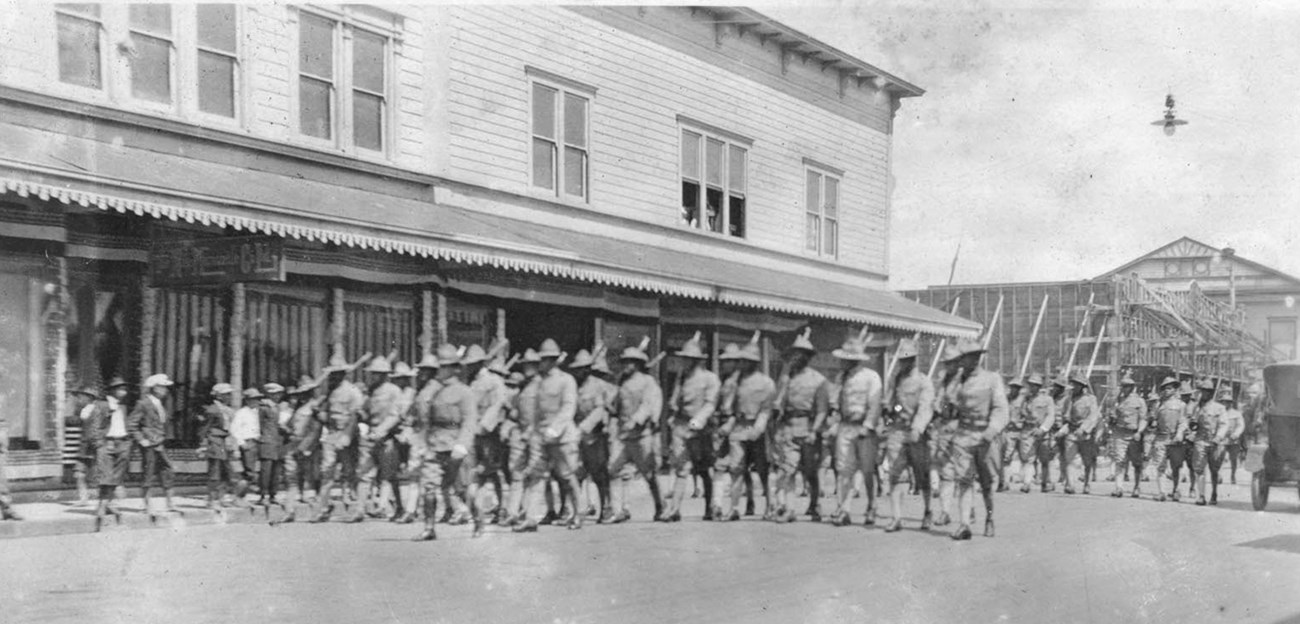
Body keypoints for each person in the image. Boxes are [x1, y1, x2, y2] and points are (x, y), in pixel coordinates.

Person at [413, 344, 480, 541]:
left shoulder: (464, 391)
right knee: (429, 486)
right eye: (438, 367)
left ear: (454, 368)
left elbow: (469, 420)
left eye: (443, 367)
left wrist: (462, 444)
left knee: (462, 489)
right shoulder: (432, 391)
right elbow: (423, 417)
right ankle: (429, 527)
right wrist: (421, 444)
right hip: (435, 442)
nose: (439, 371)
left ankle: (478, 521)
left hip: (455, 442)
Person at [946, 338, 1009, 540]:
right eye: (966, 357)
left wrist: (992, 430)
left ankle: (989, 518)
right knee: (963, 480)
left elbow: (1001, 408)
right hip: (963, 436)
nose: (971, 361)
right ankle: (965, 524)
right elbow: (949, 407)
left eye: (975, 357)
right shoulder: (956, 381)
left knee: (987, 482)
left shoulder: (992, 379)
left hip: (985, 436)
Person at [518, 338, 583, 532]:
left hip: (562, 437)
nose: (542, 363)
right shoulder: (538, 383)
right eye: (541, 360)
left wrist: (555, 429)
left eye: (546, 359)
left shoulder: (566, 380)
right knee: (537, 477)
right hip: (541, 436)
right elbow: (536, 411)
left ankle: (578, 514)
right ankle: (530, 519)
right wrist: (532, 431)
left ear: (554, 360)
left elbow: (568, 407)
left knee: (568, 476)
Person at [772, 329, 830, 523]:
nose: (796, 357)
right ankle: (789, 508)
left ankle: (814, 504)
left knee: (811, 472)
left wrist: (815, 430)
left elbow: (822, 410)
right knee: (788, 469)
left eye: (800, 354)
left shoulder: (818, 380)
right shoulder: (787, 378)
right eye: (794, 354)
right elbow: (778, 402)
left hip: (809, 428)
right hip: (788, 428)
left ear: (807, 357)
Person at [716, 334, 775, 521]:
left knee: (763, 469)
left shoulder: (766, 383)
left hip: (757, 428)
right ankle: (733, 507)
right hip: (738, 428)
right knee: (736, 469)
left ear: (754, 362)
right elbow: (729, 407)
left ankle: (770, 507)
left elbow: (767, 409)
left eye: (745, 360)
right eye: (741, 360)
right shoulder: (735, 381)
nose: (741, 363)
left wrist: (759, 428)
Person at [827, 330, 882, 527]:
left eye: (846, 359)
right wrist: (833, 423)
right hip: (845, 427)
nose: (842, 362)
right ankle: (844, 509)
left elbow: (875, 405)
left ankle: (872, 505)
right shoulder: (840, 378)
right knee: (844, 469)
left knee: (867, 470)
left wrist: (868, 426)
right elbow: (835, 402)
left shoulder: (870, 377)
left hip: (864, 429)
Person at [607, 338, 665, 523]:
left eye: (629, 362)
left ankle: (660, 506)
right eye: (624, 362)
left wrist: (637, 420)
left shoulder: (648, 382)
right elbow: (617, 407)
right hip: (623, 435)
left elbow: (649, 405)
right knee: (613, 470)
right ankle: (619, 510)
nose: (626, 365)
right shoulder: (622, 383)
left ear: (638, 364)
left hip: (641, 435)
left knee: (649, 474)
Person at [665, 332, 721, 522]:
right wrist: (672, 412)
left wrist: (699, 420)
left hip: (701, 429)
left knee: (704, 469)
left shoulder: (710, 379)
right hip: (681, 427)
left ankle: (709, 508)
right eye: (684, 359)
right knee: (681, 468)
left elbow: (710, 403)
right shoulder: (681, 378)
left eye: (689, 359)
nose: (686, 362)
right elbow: (674, 400)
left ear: (697, 360)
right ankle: (674, 509)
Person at [882, 338, 934, 532]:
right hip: (898, 431)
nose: (905, 363)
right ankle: (896, 517)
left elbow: (925, 407)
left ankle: (928, 511)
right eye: (903, 359)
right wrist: (889, 417)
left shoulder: (923, 381)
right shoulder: (896, 380)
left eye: (909, 359)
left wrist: (918, 428)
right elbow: (890, 404)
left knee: (923, 475)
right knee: (895, 476)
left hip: (917, 434)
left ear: (915, 360)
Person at [310, 352, 365, 523]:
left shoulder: (353, 392)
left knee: (350, 473)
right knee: (327, 472)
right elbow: (326, 413)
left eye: (337, 373)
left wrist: (347, 435)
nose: (334, 376)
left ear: (344, 374)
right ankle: (323, 508)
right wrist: (318, 413)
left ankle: (358, 508)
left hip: (348, 435)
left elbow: (358, 415)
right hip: (332, 434)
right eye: (332, 373)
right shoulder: (330, 392)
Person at [571, 346, 615, 522]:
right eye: (577, 369)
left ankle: (606, 508)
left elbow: (599, 410)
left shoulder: (597, 386)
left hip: (595, 436)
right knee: (577, 473)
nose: (579, 372)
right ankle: (575, 511)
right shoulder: (575, 387)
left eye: (582, 369)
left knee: (599, 474)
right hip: (577, 437)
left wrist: (585, 427)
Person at [465, 345, 509, 524]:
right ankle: (476, 508)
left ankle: (501, 508)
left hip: (488, 432)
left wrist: (485, 425)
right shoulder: (471, 382)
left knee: (491, 470)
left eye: (472, 363)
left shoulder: (493, 380)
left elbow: (498, 403)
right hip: (472, 431)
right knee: (476, 471)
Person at [129, 373, 180, 521]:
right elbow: (132, 424)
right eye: (163, 387)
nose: (166, 390)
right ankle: (147, 506)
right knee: (148, 473)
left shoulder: (159, 404)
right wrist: (141, 440)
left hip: (159, 444)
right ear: (155, 388)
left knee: (167, 471)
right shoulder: (143, 403)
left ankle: (170, 503)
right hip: (149, 445)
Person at [87, 377, 131, 530]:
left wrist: (127, 442)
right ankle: (103, 505)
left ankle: (107, 503)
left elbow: (125, 426)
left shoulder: (122, 407)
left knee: (116, 476)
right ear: (112, 390)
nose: (123, 391)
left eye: (124, 388)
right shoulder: (101, 405)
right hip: (107, 442)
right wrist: (99, 444)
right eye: (119, 388)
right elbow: (94, 426)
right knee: (105, 475)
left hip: (121, 442)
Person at [930, 344, 963, 525]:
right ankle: (945, 511)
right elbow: (937, 403)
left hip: (961, 427)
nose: (948, 366)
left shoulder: (964, 380)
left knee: (964, 471)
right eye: (946, 363)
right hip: (944, 427)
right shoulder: (943, 381)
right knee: (946, 472)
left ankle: (969, 509)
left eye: (951, 362)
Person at [1056, 374, 1101, 495]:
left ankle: (1087, 483)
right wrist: (1062, 428)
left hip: (1085, 434)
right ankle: (1070, 484)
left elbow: (1093, 416)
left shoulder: (1091, 399)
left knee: (1087, 461)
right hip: (1071, 431)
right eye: (1073, 384)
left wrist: (1084, 428)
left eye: (1077, 384)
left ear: (1082, 386)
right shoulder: (1069, 398)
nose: (1074, 386)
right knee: (1070, 459)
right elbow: (1064, 415)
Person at [285, 375, 323, 506]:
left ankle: (317, 496)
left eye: (305, 393)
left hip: (309, 443)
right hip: (295, 442)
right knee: (296, 472)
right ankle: (301, 494)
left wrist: (306, 447)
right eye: (301, 393)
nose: (302, 396)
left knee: (313, 471)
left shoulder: (314, 407)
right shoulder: (298, 408)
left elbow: (316, 429)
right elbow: (291, 424)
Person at [1015, 374, 1056, 493]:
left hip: (1043, 433)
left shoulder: (1047, 399)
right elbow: (1020, 413)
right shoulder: (1025, 399)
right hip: (1028, 431)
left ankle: (1044, 483)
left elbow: (1051, 416)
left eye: (1034, 385)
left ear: (1039, 386)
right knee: (1029, 458)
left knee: (1044, 460)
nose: (1032, 387)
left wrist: (1043, 429)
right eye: (1030, 385)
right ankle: (1027, 483)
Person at [1108, 373, 1147, 498]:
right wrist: (1112, 418)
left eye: (1127, 386)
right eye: (1123, 386)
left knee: (1137, 463)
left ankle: (1137, 487)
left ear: (1132, 387)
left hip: (1133, 434)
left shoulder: (1140, 401)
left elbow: (1143, 419)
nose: (1124, 389)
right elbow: (1111, 416)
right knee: (1119, 460)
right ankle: (1119, 487)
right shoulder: (1117, 401)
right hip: (1120, 433)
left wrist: (1139, 432)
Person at [198, 384, 236, 510]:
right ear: (218, 396)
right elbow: (204, 429)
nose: (228, 397)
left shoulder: (227, 410)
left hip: (225, 442)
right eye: (226, 394)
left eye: (229, 394)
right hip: (214, 441)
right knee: (214, 472)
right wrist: (203, 444)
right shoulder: (212, 410)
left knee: (226, 471)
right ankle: (211, 499)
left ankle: (221, 497)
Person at [1149, 377, 1186, 502]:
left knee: (1176, 466)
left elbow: (1183, 421)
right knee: (1160, 466)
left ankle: (1176, 490)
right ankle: (1162, 492)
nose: (1166, 391)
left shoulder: (1181, 405)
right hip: (1161, 437)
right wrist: (1152, 422)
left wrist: (1180, 434)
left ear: (1175, 389)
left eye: (1169, 388)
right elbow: (1153, 420)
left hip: (1175, 438)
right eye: (1164, 388)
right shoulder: (1159, 404)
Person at [1189, 379, 1226, 506]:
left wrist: (1218, 437)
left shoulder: (1219, 408)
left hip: (1214, 441)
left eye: (1206, 391)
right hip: (1200, 440)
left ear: (1211, 393)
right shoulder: (1196, 408)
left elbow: (1223, 424)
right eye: (1202, 391)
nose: (1203, 394)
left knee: (1214, 469)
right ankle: (1201, 496)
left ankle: (1214, 492)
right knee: (1199, 468)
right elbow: (1191, 423)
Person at [257, 383, 290, 510]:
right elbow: (260, 425)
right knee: (266, 470)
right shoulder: (264, 407)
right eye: (275, 394)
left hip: (277, 441)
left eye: (279, 393)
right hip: (267, 440)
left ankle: (272, 494)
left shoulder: (277, 407)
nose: (278, 396)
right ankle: (264, 494)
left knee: (276, 471)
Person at [67, 385, 101, 505]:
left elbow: (95, 429)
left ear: (89, 398)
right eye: (78, 397)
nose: (79, 400)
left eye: (81, 397)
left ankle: (104, 498)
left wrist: (94, 442)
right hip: (84, 447)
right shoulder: (83, 411)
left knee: (97, 474)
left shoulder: (95, 410)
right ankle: (83, 498)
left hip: (92, 446)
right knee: (79, 473)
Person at [230, 387, 262, 505]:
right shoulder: (242, 413)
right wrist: (241, 443)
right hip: (248, 442)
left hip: (258, 442)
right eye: (253, 399)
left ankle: (243, 495)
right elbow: (234, 429)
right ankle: (238, 496)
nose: (255, 401)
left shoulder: (259, 412)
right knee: (249, 472)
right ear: (247, 400)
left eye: (257, 399)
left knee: (255, 471)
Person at [998, 378, 1025, 493]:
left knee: (1026, 457)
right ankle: (1004, 482)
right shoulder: (1005, 399)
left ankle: (1025, 482)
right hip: (1009, 431)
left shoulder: (1024, 400)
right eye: (1013, 387)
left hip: (1023, 431)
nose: (1014, 389)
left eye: (1016, 387)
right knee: (1006, 457)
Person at [1218, 388, 1246, 492]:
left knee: (1233, 459)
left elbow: (1241, 425)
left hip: (1233, 439)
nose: (1225, 404)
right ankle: (1219, 475)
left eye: (1227, 402)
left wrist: (1236, 434)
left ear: (1230, 403)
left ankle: (1233, 476)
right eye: (1223, 402)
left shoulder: (1236, 413)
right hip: (1223, 439)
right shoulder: (1220, 413)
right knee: (1220, 457)